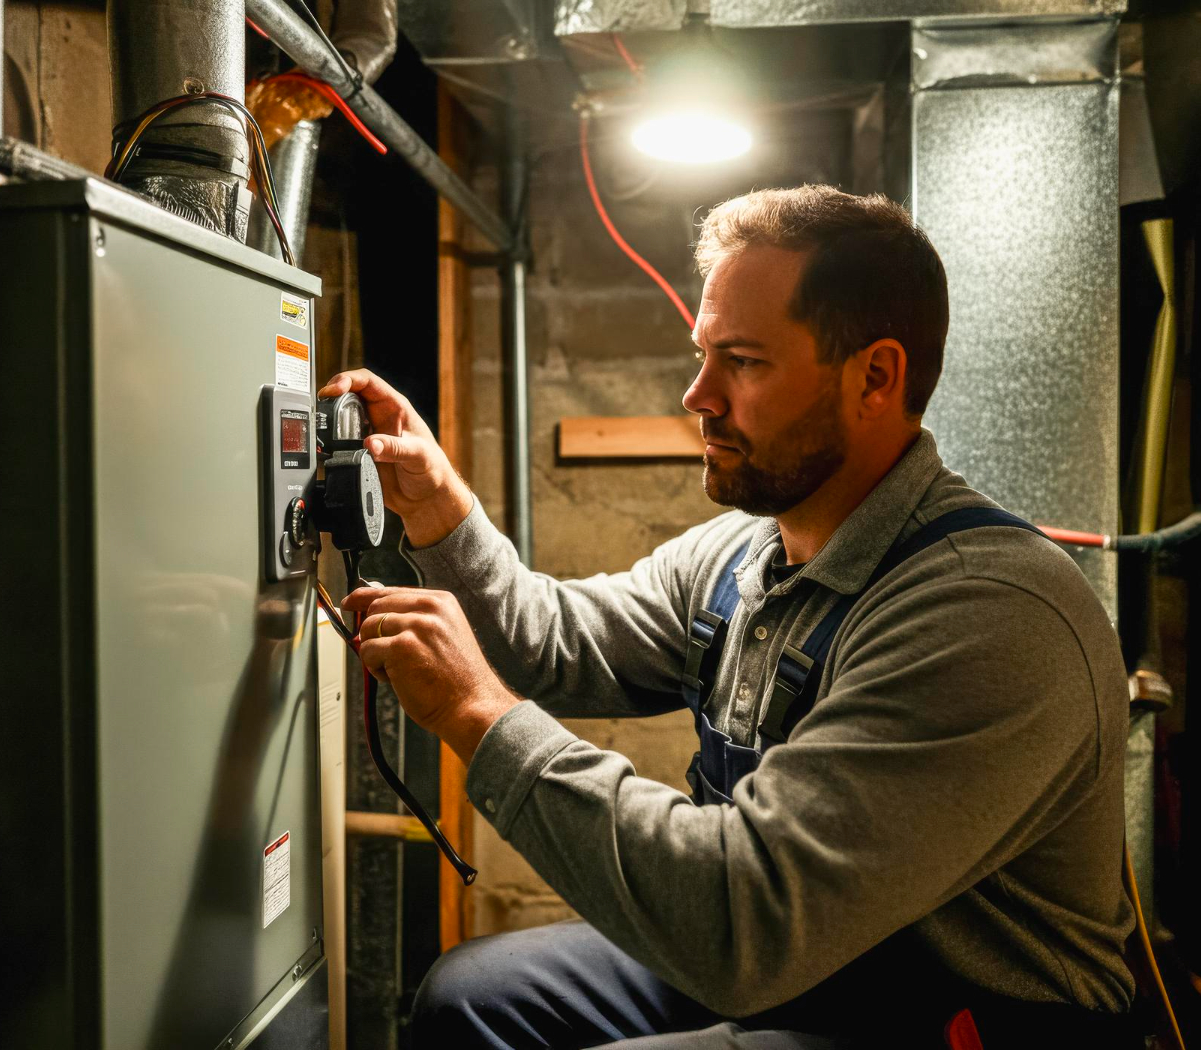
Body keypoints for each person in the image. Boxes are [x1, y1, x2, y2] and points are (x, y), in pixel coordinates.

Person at [327, 185, 1138, 1049]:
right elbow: (554, 643)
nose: (697, 395)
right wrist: (441, 515)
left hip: (956, 1016)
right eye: (703, 353)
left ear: (875, 377)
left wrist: (476, 715)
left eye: (743, 362)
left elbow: (740, 924)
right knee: (473, 996)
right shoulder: (742, 556)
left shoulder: (985, 617)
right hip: (810, 968)